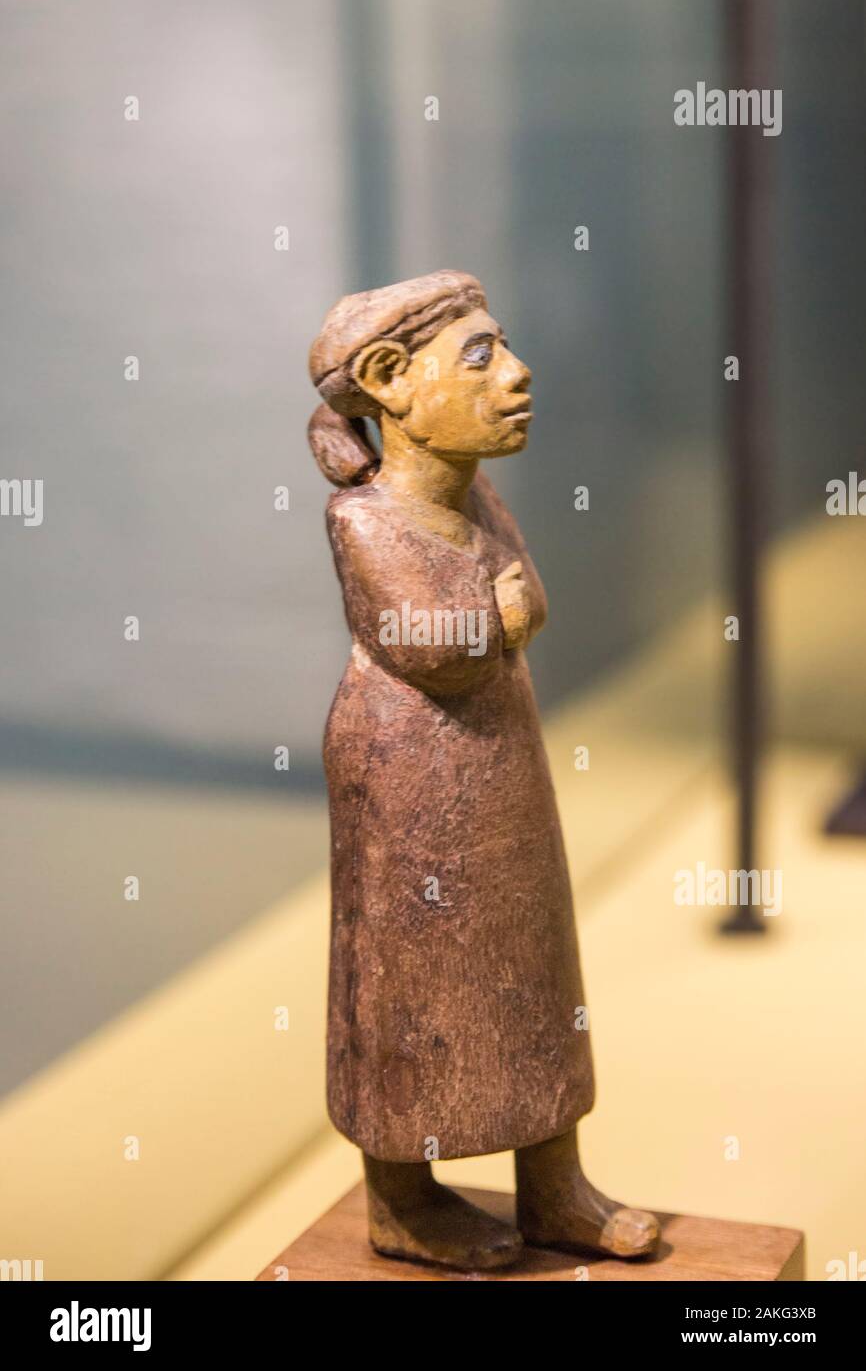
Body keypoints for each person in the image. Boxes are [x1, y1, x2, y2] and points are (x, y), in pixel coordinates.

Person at [307, 269, 659, 1270]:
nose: (517, 371)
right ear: (389, 380)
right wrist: (491, 622)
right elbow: (430, 645)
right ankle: (403, 1201)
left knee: (529, 963)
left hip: (497, 757)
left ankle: (554, 1186)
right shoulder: (365, 521)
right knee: (409, 983)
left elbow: (527, 603)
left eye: (501, 346)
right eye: (480, 356)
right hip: (404, 770)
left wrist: (499, 623)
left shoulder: (478, 495)